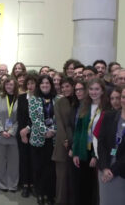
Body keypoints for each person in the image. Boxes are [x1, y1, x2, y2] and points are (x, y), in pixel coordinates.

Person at [72, 78, 109, 205]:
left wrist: (95, 155)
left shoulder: (106, 109)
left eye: (97, 89)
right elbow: (78, 131)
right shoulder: (84, 106)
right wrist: (76, 152)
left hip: (98, 152)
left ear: (103, 91)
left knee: (95, 187)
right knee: (83, 184)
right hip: (83, 150)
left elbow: (104, 136)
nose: (93, 92)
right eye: (91, 89)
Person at [28, 75, 58, 205]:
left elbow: (60, 118)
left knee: (50, 169)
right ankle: (40, 193)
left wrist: (53, 131)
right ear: (39, 86)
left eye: (47, 83)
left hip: (53, 140)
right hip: (38, 139)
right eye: (42, 83)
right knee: (38, 168)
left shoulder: (58, 99)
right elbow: (34, 119)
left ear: (51, 85)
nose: (45, 85)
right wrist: (45, 131)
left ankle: (50, 195)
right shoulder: (34, 100)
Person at [51, 77, 77, 205]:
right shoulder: (59, 102)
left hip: (77, 143)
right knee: (61, 176)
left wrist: (74, 143)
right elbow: (60, 124)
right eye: (63, 87)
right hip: (63, 143)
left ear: (73, 87)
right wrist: (66, 141)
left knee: (73, 177)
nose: (65, 89)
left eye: (68, 86)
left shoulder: (79, 101)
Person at [98, 87, 125, 205]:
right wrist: (105, 167)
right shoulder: (109, 116)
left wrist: (113, 171)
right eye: (124, 97)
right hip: (105, 168)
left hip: (121, 172)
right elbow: (101, 142)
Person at [0, 77, 19, 192]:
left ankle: (12, 185)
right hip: (0, 135)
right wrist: (1, 130)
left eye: (11, 85)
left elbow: (20, 119)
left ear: (15, 86)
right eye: (7, 85)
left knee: (14, 163)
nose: (9, 87)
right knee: (0, 162)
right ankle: (2, 184)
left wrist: (11, 131)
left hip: (13, 136)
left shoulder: (20, 99)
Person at [17, 74, 37, 198]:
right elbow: (19, 116)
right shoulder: (21, 97)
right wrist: (22, 133)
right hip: (23, 134)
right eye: (28, 84)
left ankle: (33, 185)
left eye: (32, 83)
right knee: (24, 160)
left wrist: (29, 129)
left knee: (34, 160)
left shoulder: (40, 98)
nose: (30, 86)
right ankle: (25, 185)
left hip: (36, 133)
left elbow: (38, 117)